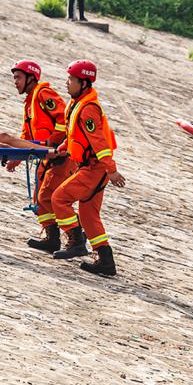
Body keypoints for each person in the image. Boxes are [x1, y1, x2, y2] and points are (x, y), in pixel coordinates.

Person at [51, 60, 125, 276]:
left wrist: (111, 170)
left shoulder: (88, 109)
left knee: (59, 198)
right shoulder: (77, 104)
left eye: (71, 80)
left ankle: (75, 241)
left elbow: (99, 143)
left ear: (83, 83)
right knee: (88, 215)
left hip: (94, 168)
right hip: (95, 168)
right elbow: (75, 135)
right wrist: (63, 148)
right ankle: (105, 261)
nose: (67, 83)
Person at [8, 60, 76, 253]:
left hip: (59, 154)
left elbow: (64, 120)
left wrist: (51, 143)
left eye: (18, 77)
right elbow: (27, 135)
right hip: (46, 155)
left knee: (52, 197)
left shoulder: (44, 94)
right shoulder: (30, 102)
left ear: (31, 78)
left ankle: (75, 237)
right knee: (41, 197)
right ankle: (51, 237)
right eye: (14, 77)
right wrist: (17, 156)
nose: (15, 81)